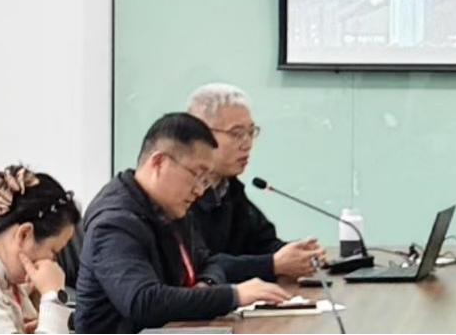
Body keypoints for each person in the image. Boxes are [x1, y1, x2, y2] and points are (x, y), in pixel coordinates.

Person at [75, 113, 290, 334]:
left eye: (205, 180)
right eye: (196, 175)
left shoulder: (169, 207)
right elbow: (143, 301)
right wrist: (234, 295)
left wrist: (206, 284)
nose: (199, 190)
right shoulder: (114, 222)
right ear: (159, 162)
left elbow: (210, 262)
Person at [186, 83, 324, 282]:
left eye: (251, 132)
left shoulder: (229, 188)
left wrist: (298, 254)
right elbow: (200, 266)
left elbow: (261, 243)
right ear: (201, 134)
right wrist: (273, 264)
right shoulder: (181, 194)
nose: (247, 144)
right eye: (236, 134)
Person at [0, 166, 80, 334]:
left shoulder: (3, 275)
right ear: (24, 234)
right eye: (53, 251)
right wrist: (53, 297)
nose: (53, 262)